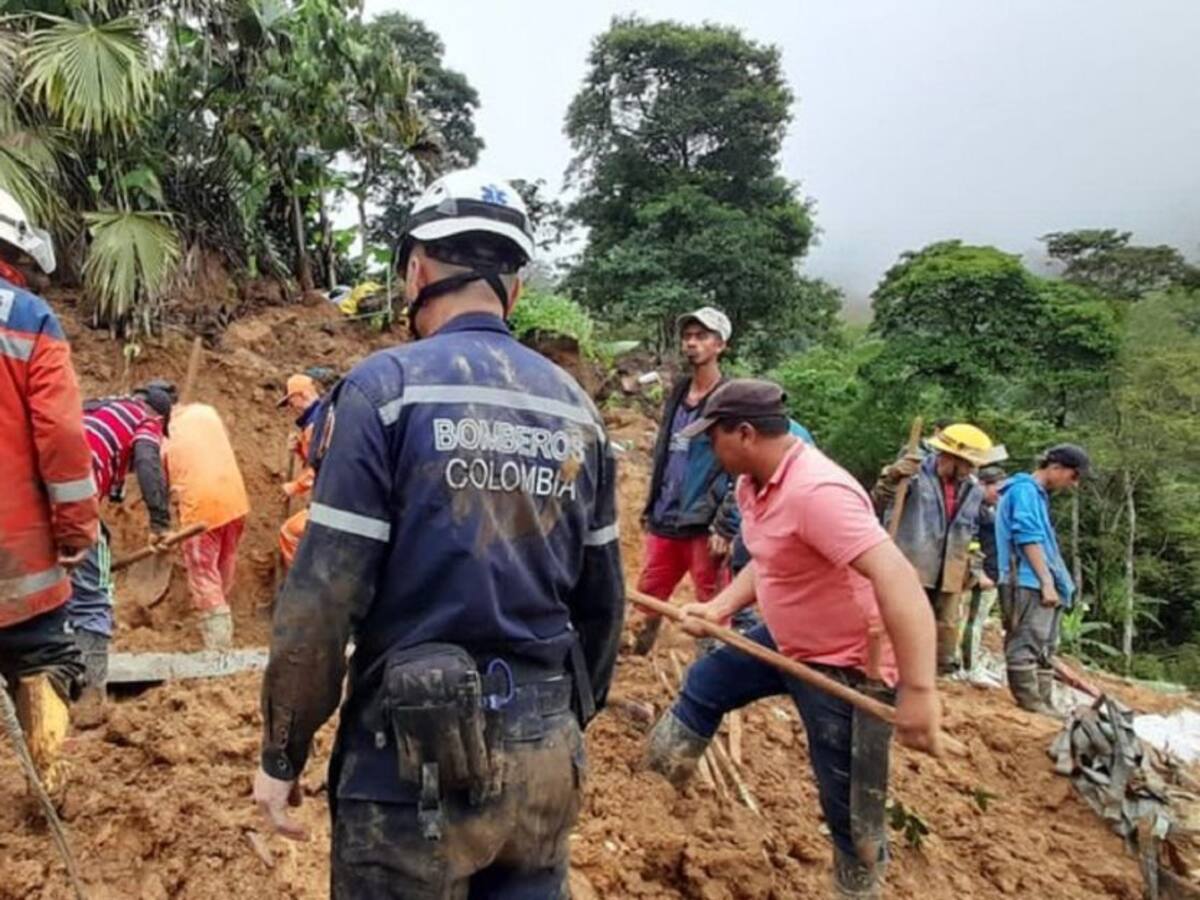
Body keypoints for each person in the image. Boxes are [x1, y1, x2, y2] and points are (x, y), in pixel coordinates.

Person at [254, 169, 624, 899]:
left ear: (417, 272)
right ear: (514, 291)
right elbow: (605, 605)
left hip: (405, 773)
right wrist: (560, 723)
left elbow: (323, 601)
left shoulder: (383, 391)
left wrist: (281, 753)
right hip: (544, 763)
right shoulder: (579, 410)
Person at [644, 379, 939, 899]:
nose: (709, 448)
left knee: (849, 804)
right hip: (787, 638)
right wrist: (719, 607)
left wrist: (919, 691)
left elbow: (899, 580)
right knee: (707, 682)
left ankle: (856, 886)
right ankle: (648, 797)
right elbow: (770, 559)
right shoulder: (750, 483)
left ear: (745, 433)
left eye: (714, 437)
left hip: (845, 664)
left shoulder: (818, 493)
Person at [0, 188, 99, 796]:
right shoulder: (29, 318)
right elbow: (61, 437)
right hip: (17, 553)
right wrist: (76, 530)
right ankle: (49, 785)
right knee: (38, 656)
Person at [632, 305, 734, 655]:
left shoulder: (729, 399)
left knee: (712, 602)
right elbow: (665, 452)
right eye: (688, 337)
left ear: (721, 345)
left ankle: (715, 668)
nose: (691, 343)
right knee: (648, 594)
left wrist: (726, 524)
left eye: (701, 337)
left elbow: (740, 469)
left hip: (703, 525)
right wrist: (651, 504)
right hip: (666, 517)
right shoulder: (678, 393)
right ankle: (635, 657)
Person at [71, 383, 173, 710]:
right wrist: (159, 522)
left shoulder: (98, 407)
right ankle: (90, 700)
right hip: (70, 496)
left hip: (22, 491)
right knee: (93, 598)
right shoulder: (145, 420)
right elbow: (146, 460)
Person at [873, 423, 1006, 674]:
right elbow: (879, 502)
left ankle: (932, 678)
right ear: (949, 457)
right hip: (910, 565)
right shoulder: (912, 474)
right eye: (967, 463)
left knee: (943, 632)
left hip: (950, 573)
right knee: (902, 626)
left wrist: (973, 565)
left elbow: (970, 531)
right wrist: (891, 477)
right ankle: (889, 674)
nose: (971, 470)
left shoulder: (973, 489)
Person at [996, 444, 1088, 714]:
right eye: (1073, 476)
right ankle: (1031, 704)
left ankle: (1044, 703)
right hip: (1027, 581)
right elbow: (1028, 538)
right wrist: (1046, 582)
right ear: (1055, 467)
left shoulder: (1036, 495)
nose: (1073, 484)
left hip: (1040, 581)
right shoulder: (1024, 491)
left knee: (1044, 647)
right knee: (1027, 641)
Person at [164, 402, 250, 649]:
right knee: (226, 557)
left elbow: (162, 478)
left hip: (202, 507)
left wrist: (162, 517)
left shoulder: (165, 432)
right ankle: (221, 613)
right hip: (235, 499)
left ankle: (219, 642)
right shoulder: (207, 411)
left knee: (202, 569)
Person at [961, 465, 1004, 679]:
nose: (1000, 494)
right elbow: (970, 542)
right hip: (981, 577)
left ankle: (972, 663)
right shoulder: (974, 509)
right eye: (997, 488)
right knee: (972, 622)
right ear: (983, 485)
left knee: (978, 620)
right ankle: (968, 667)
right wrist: (979, 573)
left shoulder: (990, 510)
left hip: (994, 574)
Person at [276, 373, 322, 569]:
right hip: (333, 494)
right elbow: (314, 459)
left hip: (337, 497)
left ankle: (300, 587)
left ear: (300, 395)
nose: (291, 408)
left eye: (290, 401)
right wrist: (299, 448)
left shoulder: (315, 424)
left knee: (289, 532)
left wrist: (294, 487)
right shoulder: (321, 417)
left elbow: (321, 466)